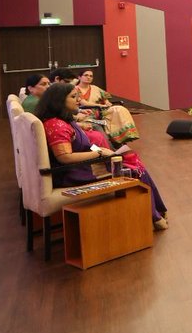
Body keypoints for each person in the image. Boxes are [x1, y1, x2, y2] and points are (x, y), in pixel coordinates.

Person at [36, 82, 169, 227]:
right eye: (74, 97)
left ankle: (156, 212)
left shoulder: (63, 120)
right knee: (134, 170)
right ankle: (153, 217)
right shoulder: (57, 125)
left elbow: (84, 145)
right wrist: (99, 153)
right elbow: (65, 157)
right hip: (75, 174)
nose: (78, 100)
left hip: (83, 166)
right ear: (59, 100)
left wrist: (103, 151)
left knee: (132, 161)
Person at [73, 69, 140, 143]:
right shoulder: (75, 89)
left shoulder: (95, 88)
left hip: (101, 112)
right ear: (79, 77)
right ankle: (111, 144)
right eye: (86, 75)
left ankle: (125, 136)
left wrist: (107, 103)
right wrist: (100, 105)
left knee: (119, 109)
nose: (88, 77)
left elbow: (106, 100)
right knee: (102, 124)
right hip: (85, 114)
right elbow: (84, 103)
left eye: (91, 76)